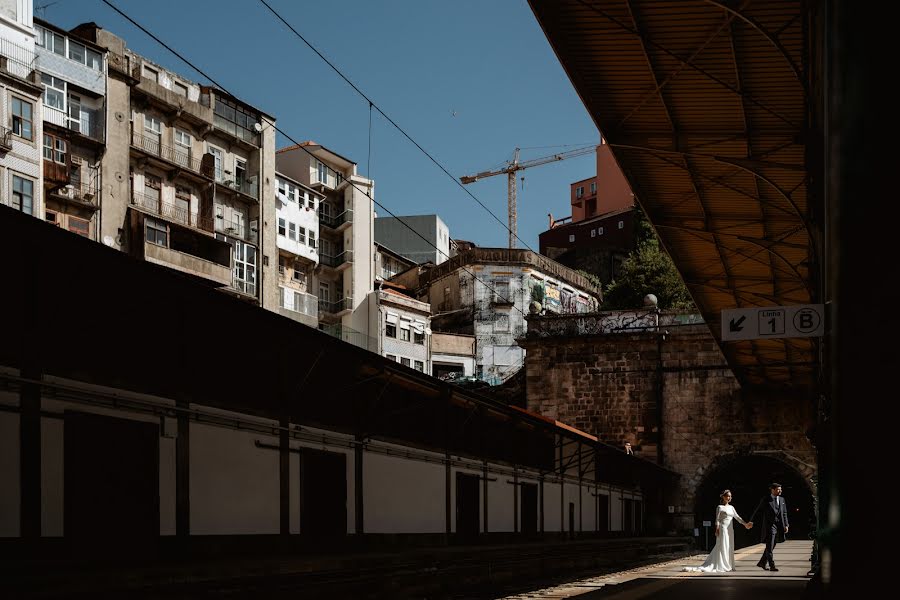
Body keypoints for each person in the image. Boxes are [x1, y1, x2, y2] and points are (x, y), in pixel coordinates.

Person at [682, 489, 752, 573]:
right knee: (722, 545)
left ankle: (728, 565)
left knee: (729, 546)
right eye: (727, 496)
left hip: (730, 529)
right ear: (723, 497)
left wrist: (745, 524)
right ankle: (722, 564)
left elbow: (737, 518)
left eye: (730, 496)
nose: (729, 498)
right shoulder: (719, 507)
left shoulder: (731, 507)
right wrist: (717, 529)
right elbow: (717, 520)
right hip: (723, 529)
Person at [749, 482, 790, 571]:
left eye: (780, 489)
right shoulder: (766, 499)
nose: (780, 491)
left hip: (779, 525)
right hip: (770, 526)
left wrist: (786, 524)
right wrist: (752, 521)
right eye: (778, 489)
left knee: (771, 546)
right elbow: (758, 510)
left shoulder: (782, 499)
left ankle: (762, 563)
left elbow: (784, 513)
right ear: (772, 490)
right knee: (770, 545)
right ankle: (772, 565)